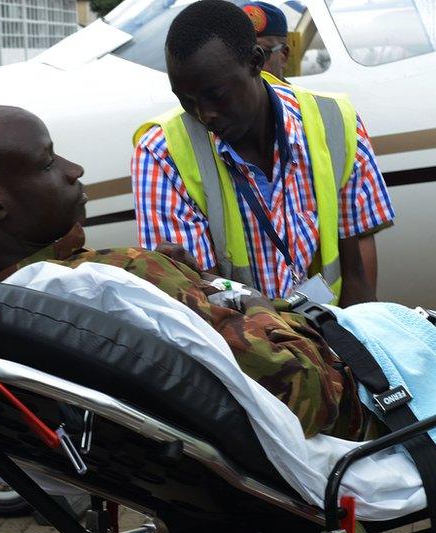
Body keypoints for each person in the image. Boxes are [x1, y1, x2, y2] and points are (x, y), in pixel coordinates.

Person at [0, 104, 368, 441]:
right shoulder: (115, 278)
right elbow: (307, 395)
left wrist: (180, 279)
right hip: (362, 406)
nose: (75, 169)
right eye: (49, 162)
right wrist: (254, 304)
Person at [132, 0, 394, 307]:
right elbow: (201, 303)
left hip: (332, 336)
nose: (204, 115)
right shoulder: (162, 154)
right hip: (245, 347)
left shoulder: (336, 122)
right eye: (186, 100)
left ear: (256, 61)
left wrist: (355, 345)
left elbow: (357, 273)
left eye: (216, 96)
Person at [242, 2, 290, 81]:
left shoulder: (300, 94)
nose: (247, 65)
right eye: (240, 54)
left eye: (258, 55)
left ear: (284, 55)